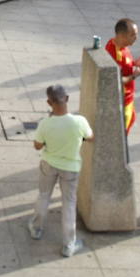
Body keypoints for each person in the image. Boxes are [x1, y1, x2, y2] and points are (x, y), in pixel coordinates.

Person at [28, 84, 93, 257]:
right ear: (67, 99)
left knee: (43, 195)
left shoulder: (45, 124)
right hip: (71, 167)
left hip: (49, 164)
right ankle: (68, 244)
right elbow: (90, 137)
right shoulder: (79, 122)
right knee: (69, 203)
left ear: (49, 102)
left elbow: (37, 145)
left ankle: (36, 228)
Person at [104, 18, 140, 134]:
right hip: (122, 100)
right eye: (133, 35)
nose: (136, 38)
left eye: (136, 34)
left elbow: (126, 66)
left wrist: (135, 64)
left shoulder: (121, 45)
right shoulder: (113, 54)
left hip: (129, 98)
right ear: (122, 36)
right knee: (121, 134)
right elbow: (115, 80)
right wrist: (134, 75)